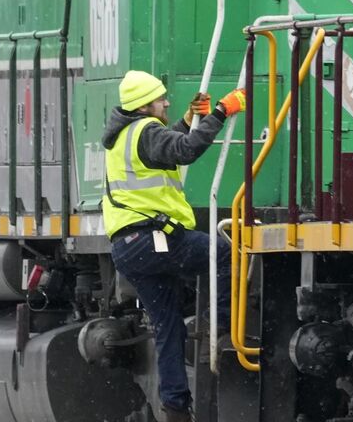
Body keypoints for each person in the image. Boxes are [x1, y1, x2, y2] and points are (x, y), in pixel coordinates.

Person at [102, 70, 248, 422]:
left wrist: (186, 120)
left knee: (169, 328)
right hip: (156, 240)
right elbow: (184, 152)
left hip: (130, 248)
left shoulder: (125, 135)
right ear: (145, 105)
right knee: (227, 254)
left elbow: (163, 151)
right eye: (161, 98)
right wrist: (221, 113)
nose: (166, 102)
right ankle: (223, 328)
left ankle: (176, 409)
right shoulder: (146, 130)